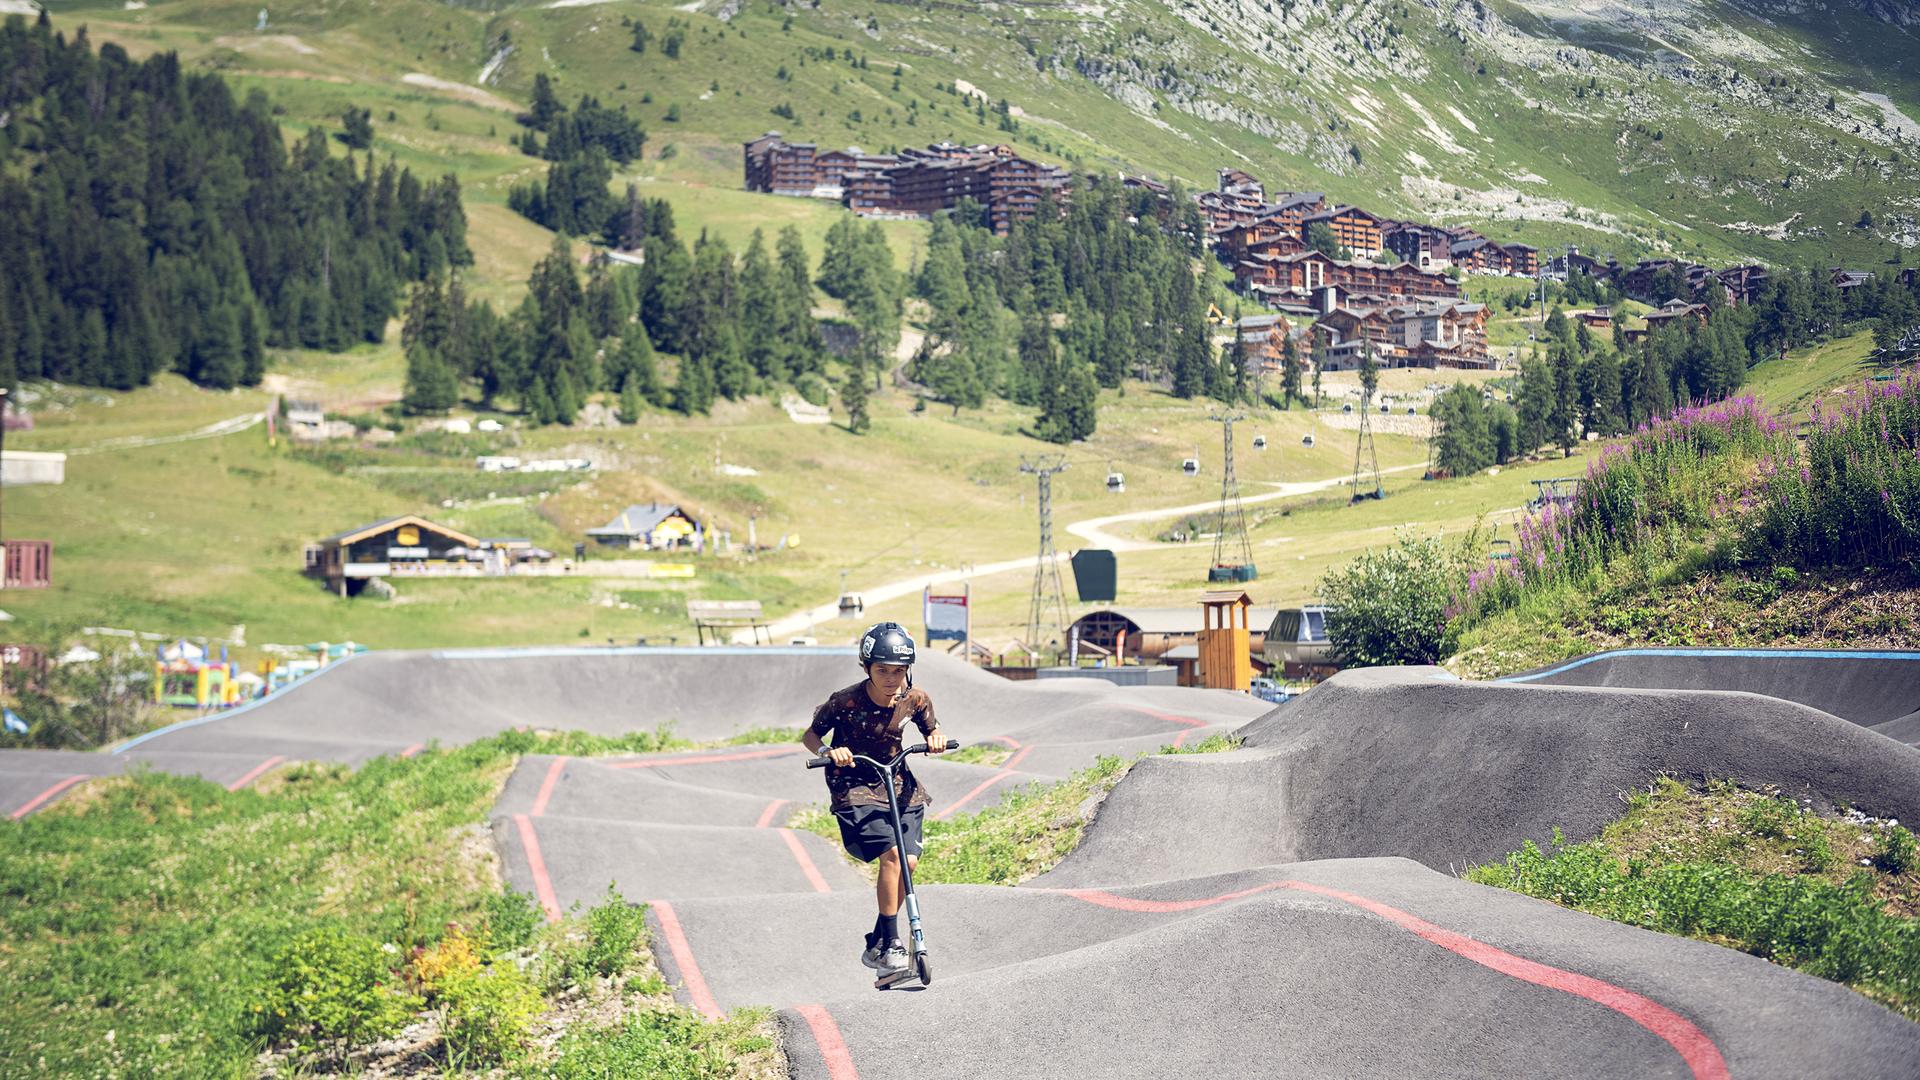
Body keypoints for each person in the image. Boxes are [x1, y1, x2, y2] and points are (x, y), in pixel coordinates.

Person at [802, 621, 947, 975]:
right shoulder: (844, 701)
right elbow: (810, 736)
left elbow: (932, 727)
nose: (891, 678)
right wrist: (828, 750)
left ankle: (878, 941)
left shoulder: (915, 699)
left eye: (899, 671)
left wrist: (937, 738)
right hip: (853, 783)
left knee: (909, 862)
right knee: (893, 856)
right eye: (883, 670)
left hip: (897, 779)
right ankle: (894, 944)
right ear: (867, 667)